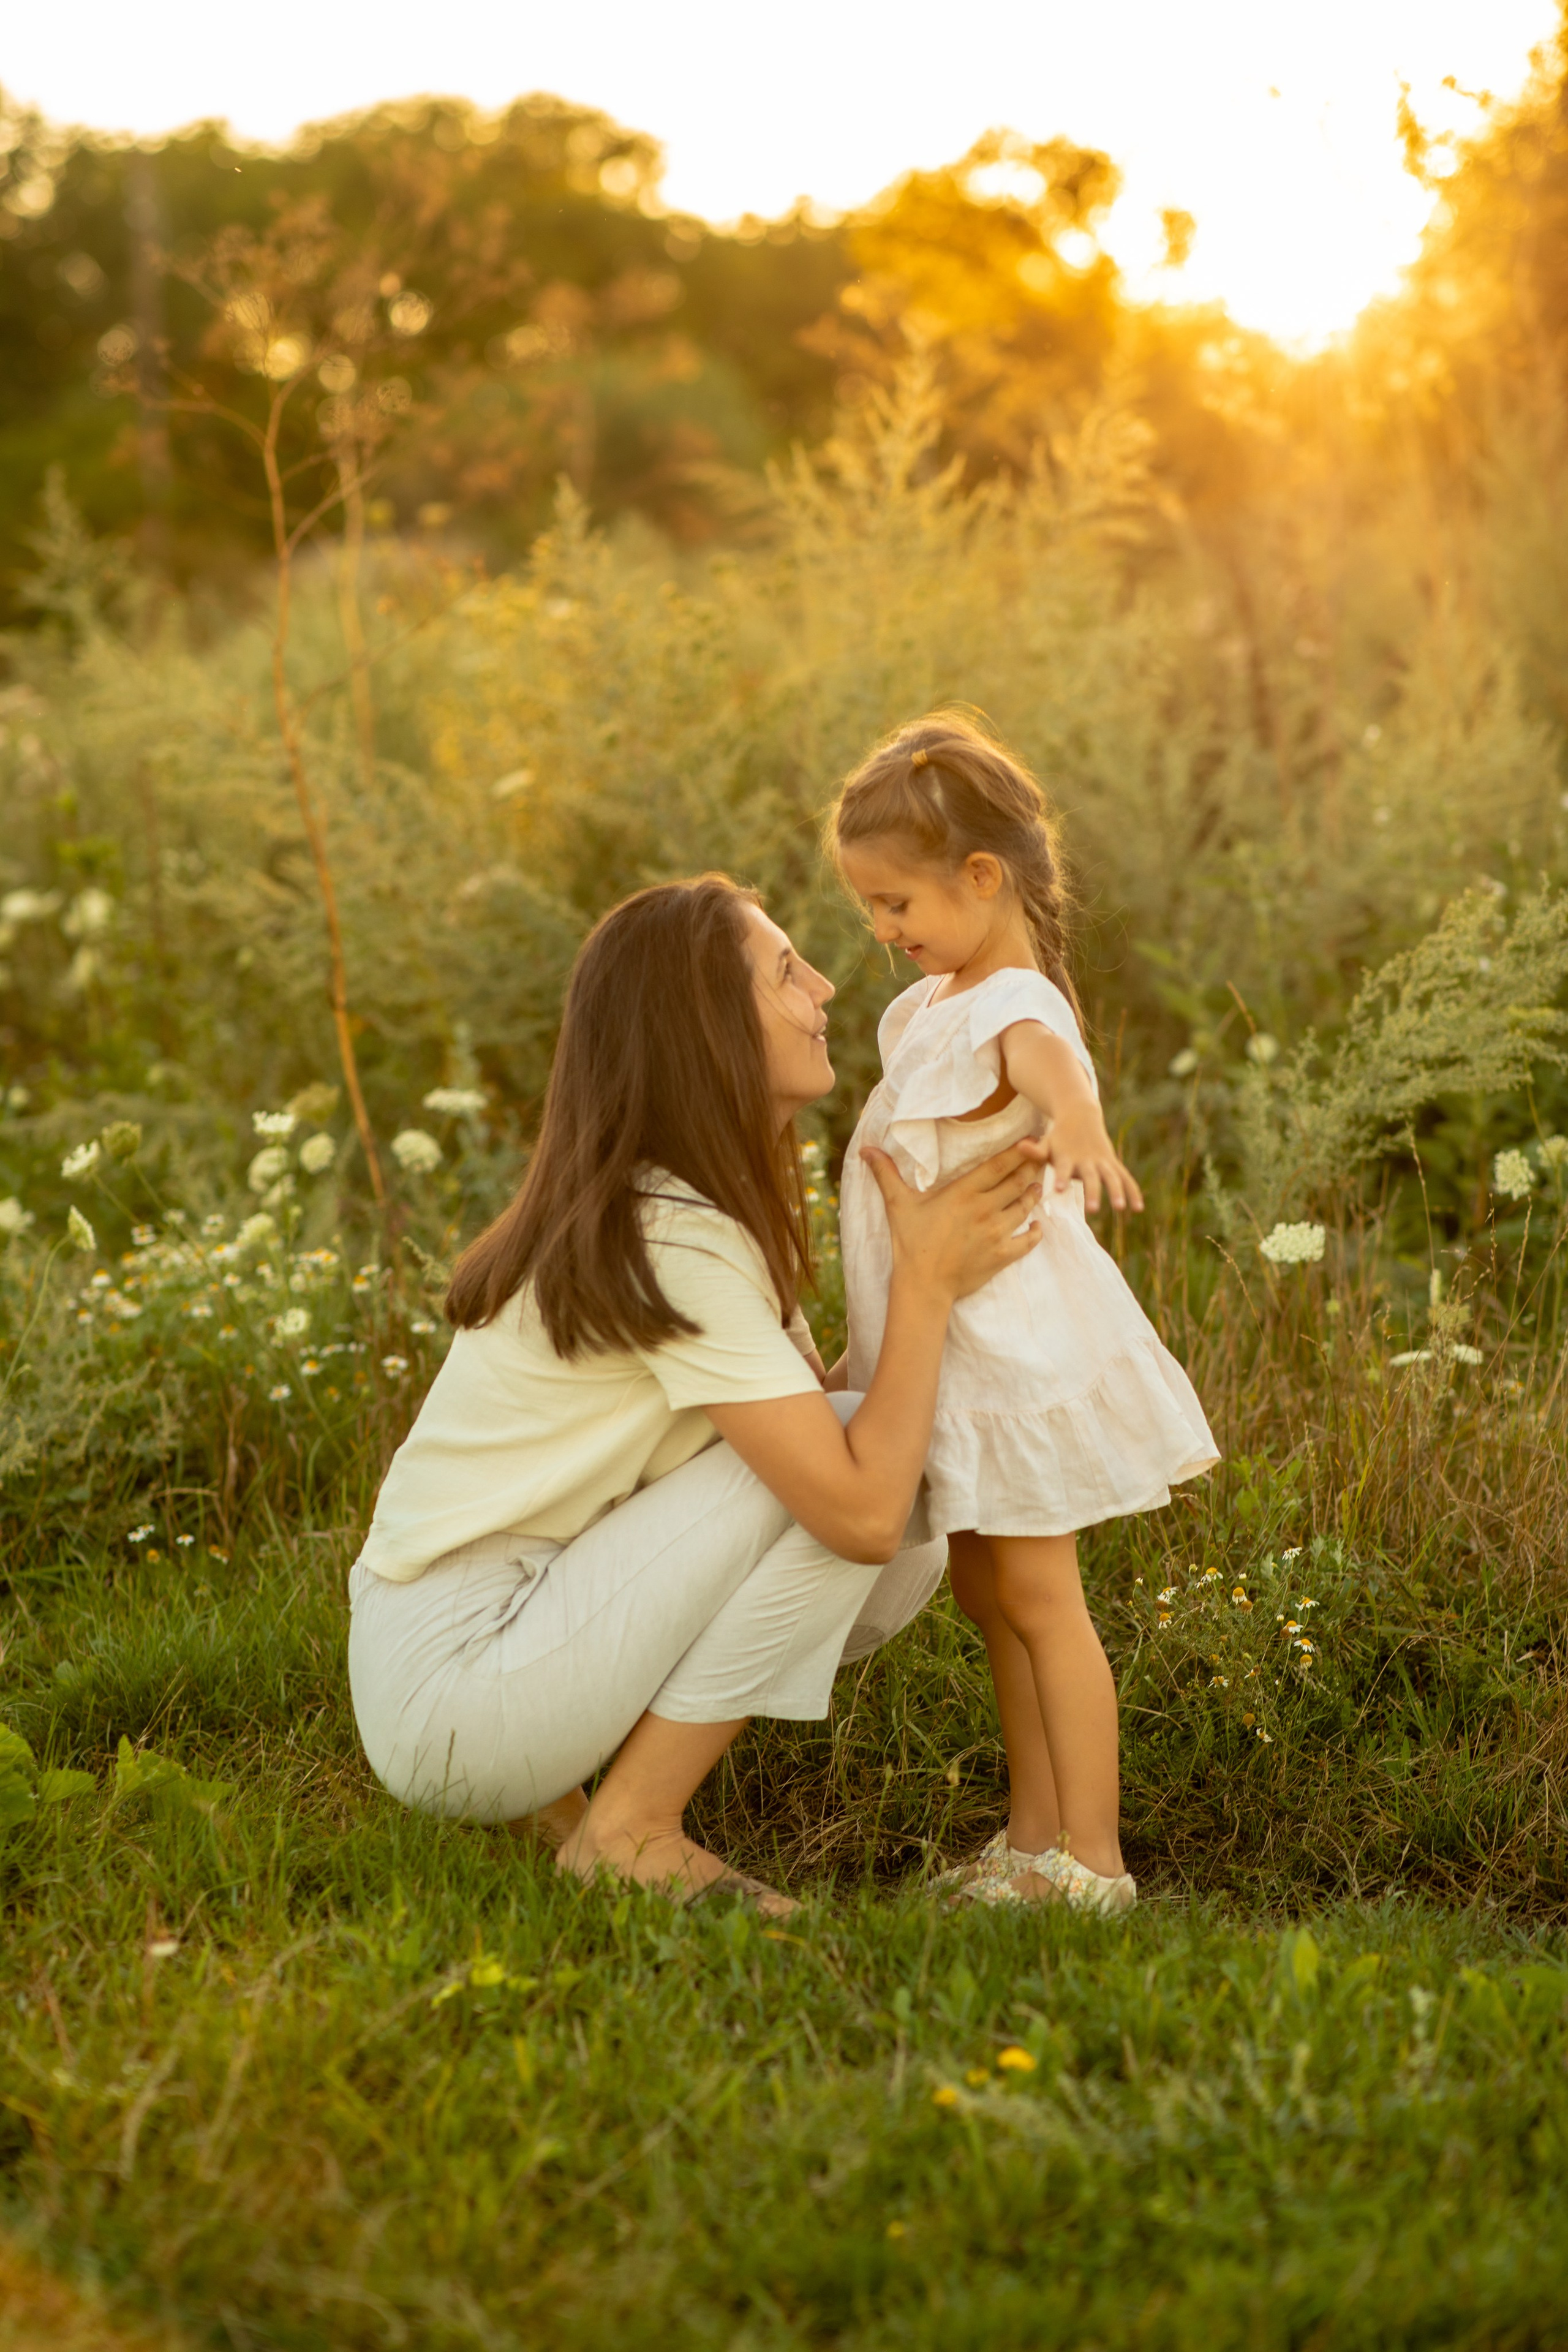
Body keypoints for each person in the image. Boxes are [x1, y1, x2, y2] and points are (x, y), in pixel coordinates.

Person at [347, 873, 1046, 1918]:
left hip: (470, 1656)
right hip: (458, 1683)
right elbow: (853, 1507)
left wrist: (926, 1272)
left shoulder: (691, 1211)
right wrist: (927, 1287)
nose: (822, 988)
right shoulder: (670, 1235)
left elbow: (813, 1425)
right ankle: (627, 1833)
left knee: (893, 1465)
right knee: (879, 1486)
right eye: (783, 971)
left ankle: (569, 1798)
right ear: (705, 1029)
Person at [828, 712, 1219, 1915]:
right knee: (987, 1593)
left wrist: (1083, 1126)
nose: (883, 933)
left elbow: (1046, 1061)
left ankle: (1090, 1863)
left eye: (895, 905)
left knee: (1042, 1601)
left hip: (1009, 1356)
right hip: (950, 1354)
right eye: (870, 912)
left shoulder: (1012, 1001)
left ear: (980, 877)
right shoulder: (936, 1000)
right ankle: (1030, 1835)